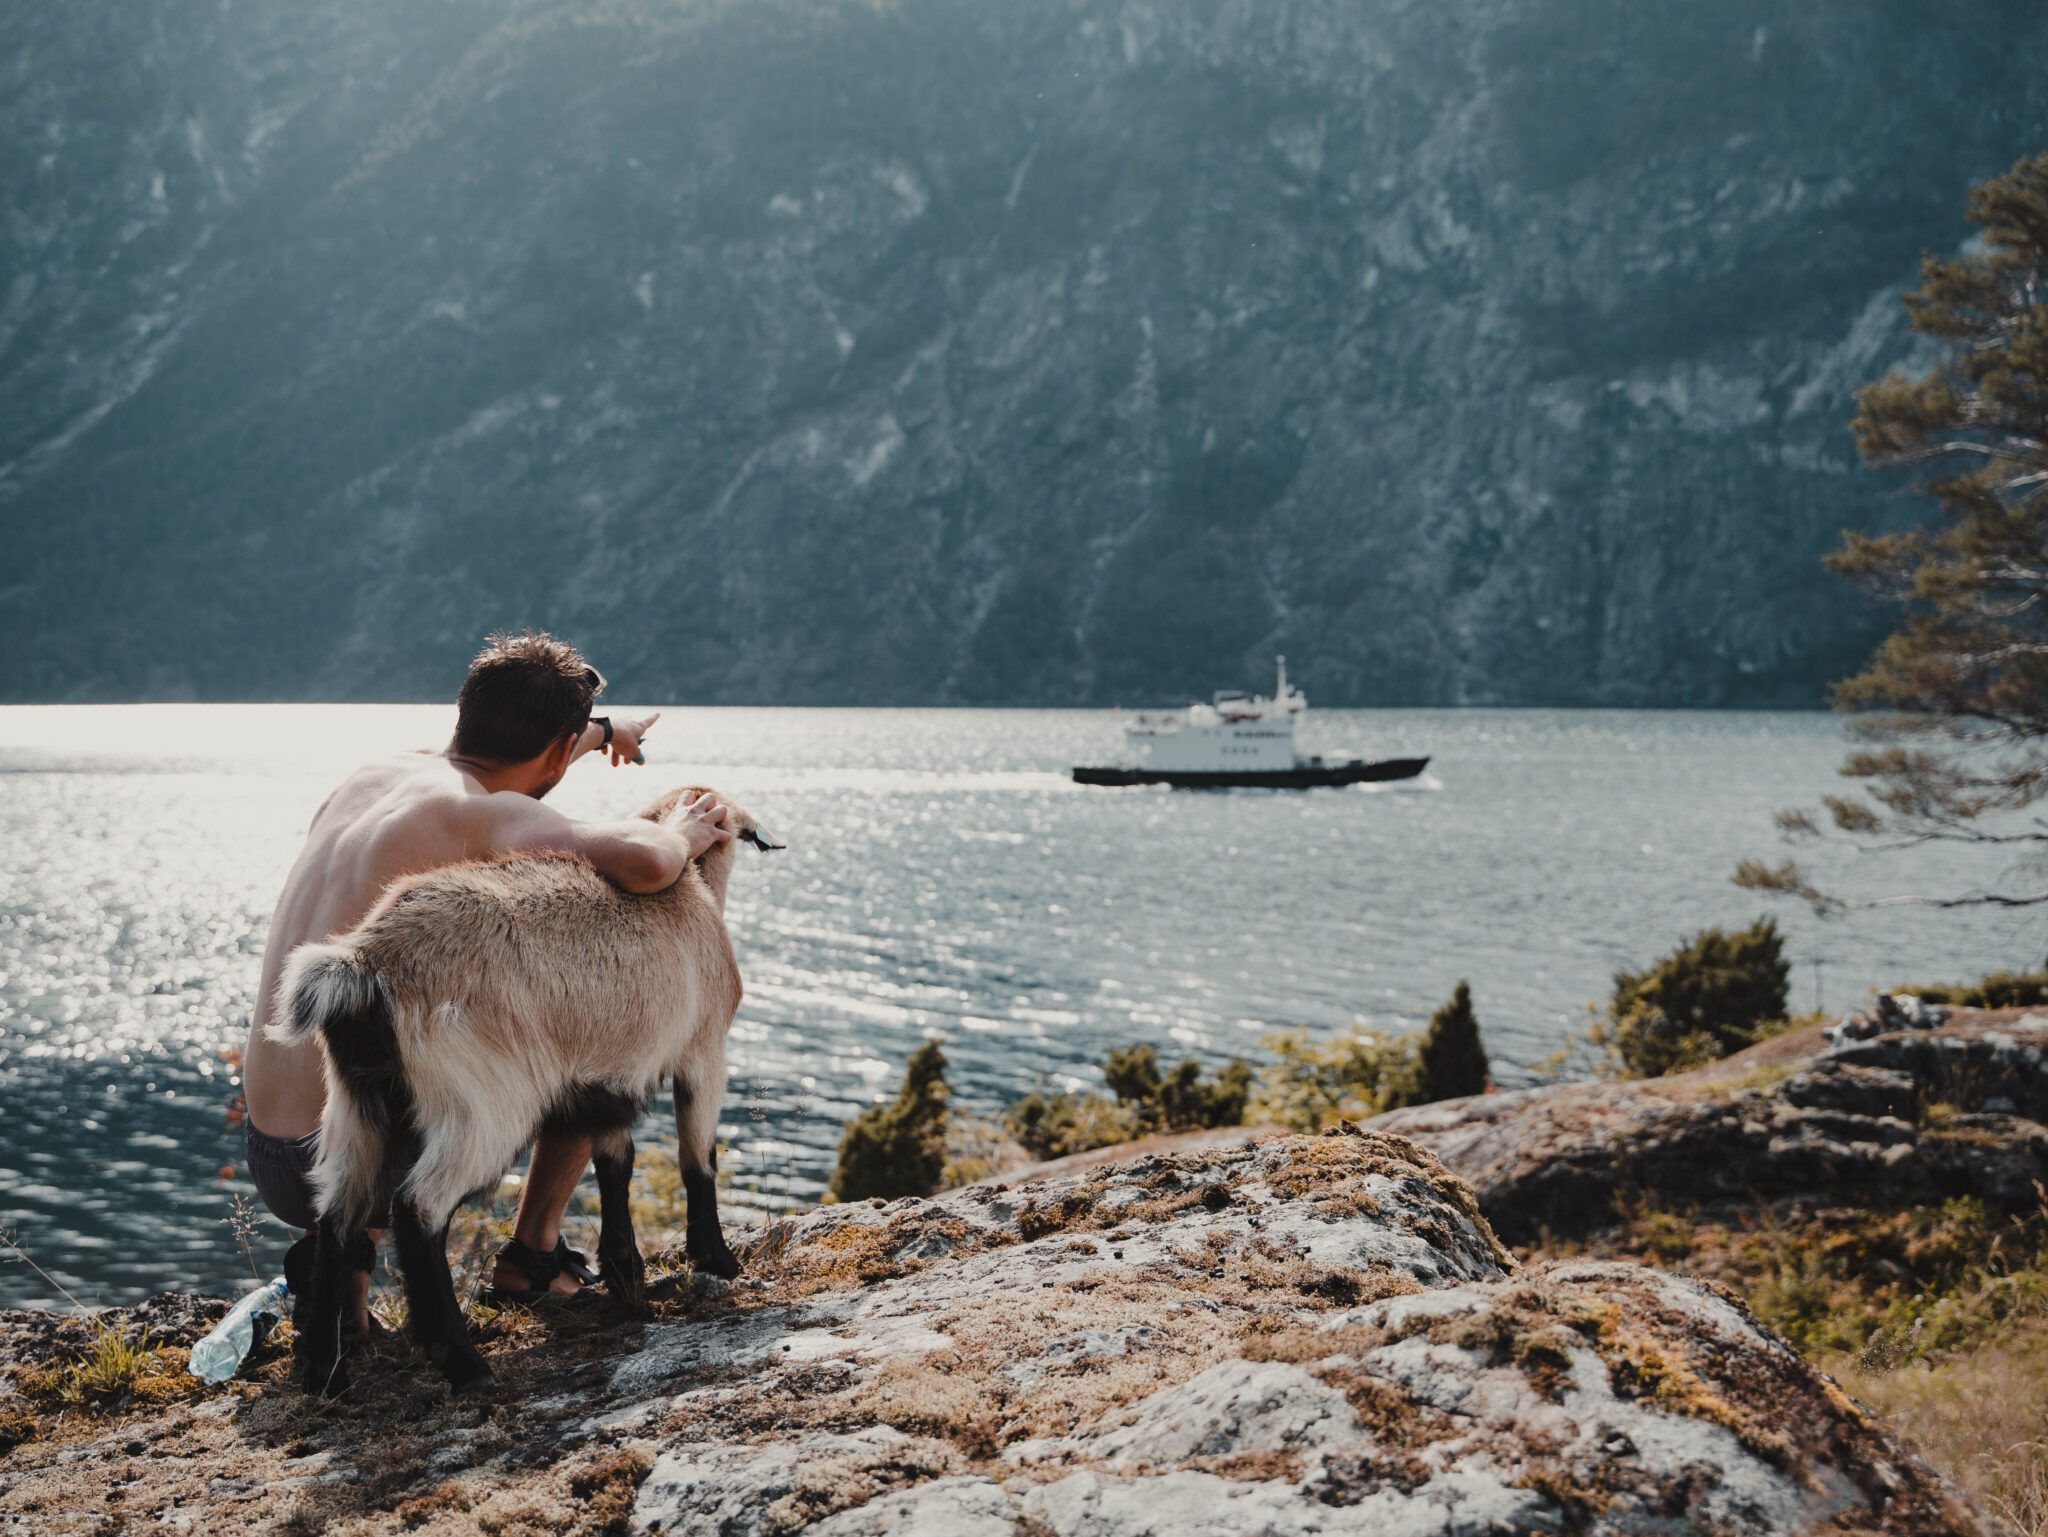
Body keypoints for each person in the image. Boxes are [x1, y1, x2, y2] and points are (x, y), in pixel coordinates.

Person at [241, 631, 731, 1319]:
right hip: (371, 1148)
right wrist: (683, 830)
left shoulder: (372, 777)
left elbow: (520, 747)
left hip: (274, 1151)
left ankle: (342, 1289)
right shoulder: (483, 814)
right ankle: (533, 1253)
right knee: (594, 1034)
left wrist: (601, 732)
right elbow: (650, 862)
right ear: (559, 750)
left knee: (393, 1032)